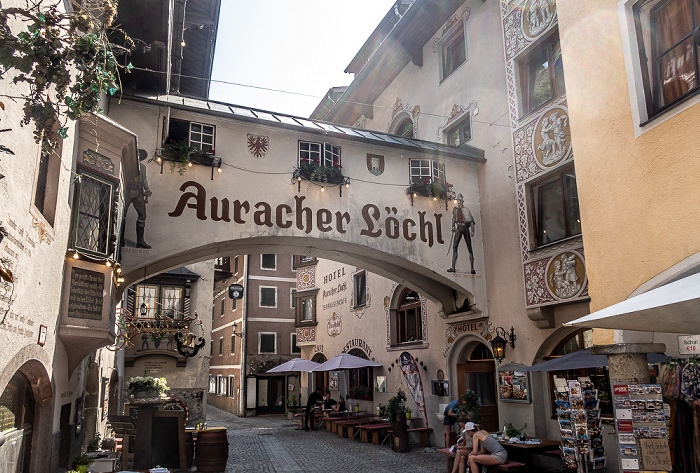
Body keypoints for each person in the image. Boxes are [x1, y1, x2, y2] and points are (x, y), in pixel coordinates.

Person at [121, 149, 153, 249]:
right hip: (128, 191)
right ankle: (120, 237)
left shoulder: (142, 167)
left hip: (139, 192)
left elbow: (143, 179)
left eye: (139, 155)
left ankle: (140, 241)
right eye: (137, 154)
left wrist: (147, 188)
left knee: (142, 215)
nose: (138, 156)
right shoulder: (128, 165)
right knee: (122, 213)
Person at [447, 194, 476, 274]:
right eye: (458, 201)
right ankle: (453, 267)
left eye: (459, 201)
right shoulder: (456, 209)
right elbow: (454, 217)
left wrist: (472, 230)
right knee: (454, 246)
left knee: (469, 247)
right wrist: (453, 225)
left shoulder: (466, 210)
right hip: (459, 227)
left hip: (465, 228)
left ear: (461, 202)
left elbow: (471, 220)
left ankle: (472, 268)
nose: (458, 202)